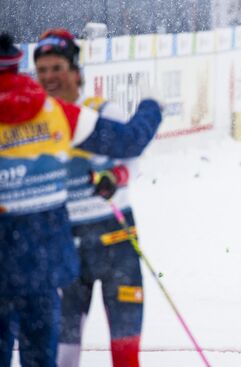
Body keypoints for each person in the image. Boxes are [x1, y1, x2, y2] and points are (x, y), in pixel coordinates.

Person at [0, 32, 162, 367]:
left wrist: (116, 177)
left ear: (76, 71)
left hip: (114, 235)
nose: (49, 77)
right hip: (68, 240)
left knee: (125, 346)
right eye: (41, 69)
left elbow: (131, 155)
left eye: (57, 67)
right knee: (63, 351)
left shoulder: (94, 110)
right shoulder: (45, 114)